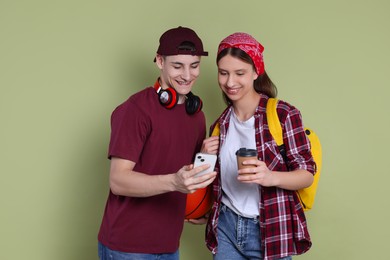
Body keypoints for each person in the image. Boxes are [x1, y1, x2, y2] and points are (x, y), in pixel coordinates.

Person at [97, 26, 217, 260]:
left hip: (169, 245)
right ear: (160, 61)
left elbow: (182, 174)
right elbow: (118, 181)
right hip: (127, 248)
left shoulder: (196, 115)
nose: (187, 75)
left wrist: (201, 201)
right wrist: (174, 182)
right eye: (177, 66)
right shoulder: (135, 110)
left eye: (194, 66)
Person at [200, 32, 316, 260]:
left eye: (239, 73)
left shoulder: (283, 114)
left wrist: (270, 177)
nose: (230, 82)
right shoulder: (220, 125)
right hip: (225, 226)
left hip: (270, 226)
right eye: (223, 73)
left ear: (256, 72)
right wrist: (203, 157)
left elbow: (307, 174)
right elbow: (210, 182)